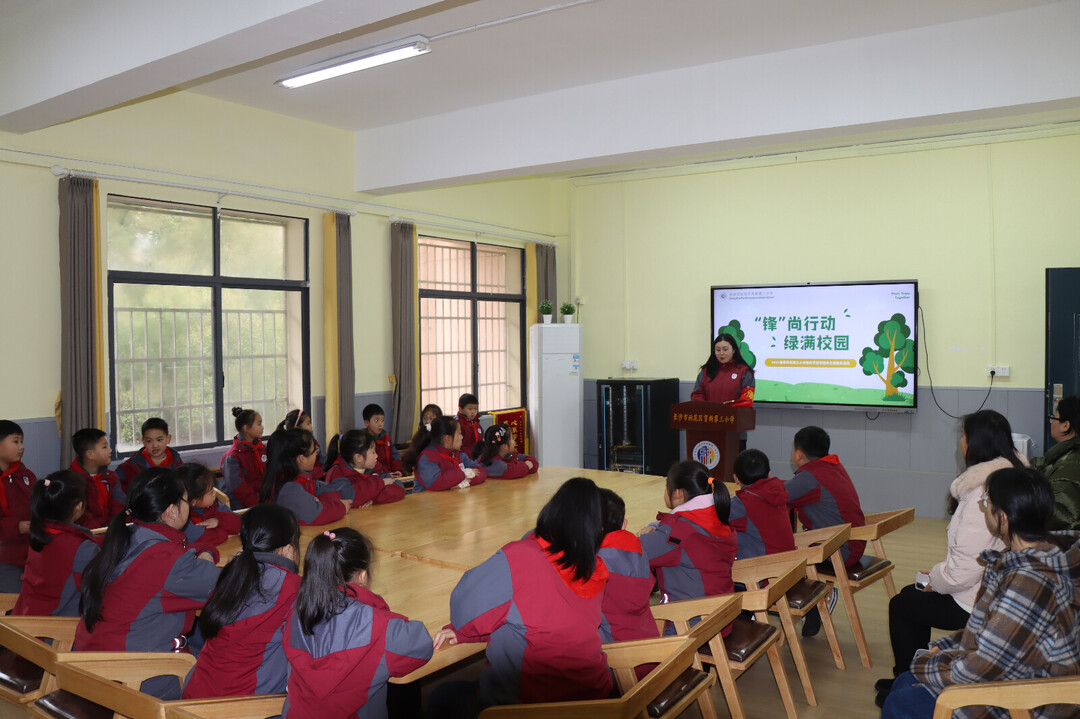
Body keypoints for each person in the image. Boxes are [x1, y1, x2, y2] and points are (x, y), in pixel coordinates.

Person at [881, 466, 1080, 719]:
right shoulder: (1038, 556)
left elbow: (985, 667)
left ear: (1003, 517)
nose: (984, 507)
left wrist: (929, 663)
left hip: (1030, 702)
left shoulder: (1028, 582)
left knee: (900, 704)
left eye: (987, 501)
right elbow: (990, 632)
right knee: (904, 684)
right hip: (1024, 676)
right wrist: (940, 649)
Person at [877, 410, 1028, 705]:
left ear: (976, 444)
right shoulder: (1011, 480)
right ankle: (908, 676)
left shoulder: (982, 496)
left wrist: (936, 579)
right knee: (911, 596)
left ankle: (908, 683)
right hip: (995, 589)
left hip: (977, 601)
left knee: (902, 605)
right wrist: (937, 577)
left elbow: (963, 572)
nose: (960, 442)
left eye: (963, 436)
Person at [431, 477, 612, 715]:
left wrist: (466, 631)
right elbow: (545, 624)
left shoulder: (523, 557)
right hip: (593, 701)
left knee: (440, 697)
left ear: (552, 510)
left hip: (531, 705)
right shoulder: (594, 569)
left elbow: (463, 611)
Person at [75, 468, 222, 699]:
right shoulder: (163, 556)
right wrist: (206, 555)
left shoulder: (126, 537)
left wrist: (198, 552)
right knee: (232, 673)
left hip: (92, 666)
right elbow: (218, 587)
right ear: (171, 511)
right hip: (132, 678)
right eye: (186, 501)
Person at [283, 527, 433, 719]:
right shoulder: (378, 626)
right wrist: (374, 604)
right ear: (362, 576)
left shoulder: (297, 613)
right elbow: (422, 644)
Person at [183, 504, 302, 699]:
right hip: (239, 707)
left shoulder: (232, 575)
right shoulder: (291, 587)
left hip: (194, 698)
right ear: (287, 550)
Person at [639, 460, 736, 605]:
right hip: (721, 616)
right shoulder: (719, 516)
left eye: (667, 486)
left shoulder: (678, 532)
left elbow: (632, 553)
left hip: (690, 622)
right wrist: (657, 530)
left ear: (677, 493)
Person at [12, 470, 100, 616]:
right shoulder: (82, 547)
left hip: (26, 626)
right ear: (78, 506)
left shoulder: (40, 534)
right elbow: (99, 590)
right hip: (57, 632)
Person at [597, 488, 658, 643]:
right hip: (651, 646)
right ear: (624, 524)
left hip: (616, 658)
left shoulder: (595, 562)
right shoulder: (640, 551)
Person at [261, 428, 353, 526]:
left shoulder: (304, 479)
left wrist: (321, 501)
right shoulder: (288, 488)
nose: (316, 455)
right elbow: (317, 514)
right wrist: (342, 506)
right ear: (302, 459)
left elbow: (336, 491)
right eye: (315, 451)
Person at [729, 448, 795, 559]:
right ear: (769, 474)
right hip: (789, 562)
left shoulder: (742, 503)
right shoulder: (777, 491)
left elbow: (713, 516)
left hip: (766, 568)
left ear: (736, 478)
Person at [1031, 395, 1080, 530]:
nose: (1051, 422)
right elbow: (1044, 463)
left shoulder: (1069, 464)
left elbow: (1063, 517)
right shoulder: (1067, 453)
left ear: (1065, 425)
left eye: (1054, 417)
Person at [322, 429, 406, 506]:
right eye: (373, 452)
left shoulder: (376, 466)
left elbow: (399, 488)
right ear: (358, 458)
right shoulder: (338, 473)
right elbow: (348, 498)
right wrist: (380, 483)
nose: (377, 456)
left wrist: (374, 499)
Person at [0, 419, 36, 592]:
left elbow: (37, 506)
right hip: (4, 557)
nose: (21, 447)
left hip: (30, 553)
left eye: (21, 442)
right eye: (15, 441)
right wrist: (17, 527)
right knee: (13, 601)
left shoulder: (26, 475)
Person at [69, 427, 124, 529]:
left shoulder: (111, 477)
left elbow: (119, 506)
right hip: (87, 531)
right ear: (90, 454)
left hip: (110, 529)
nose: (110, 450)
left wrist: (119, 525)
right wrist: (99, 532)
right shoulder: (71, 480)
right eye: (104, 447)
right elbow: (81, 515)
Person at [413, 417, 487, 492]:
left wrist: (463, 483)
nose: (462, 437)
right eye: (459, 434)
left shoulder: (457, 453)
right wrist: (464, 474)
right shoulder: (427, 457)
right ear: (447, 439)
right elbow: (436, 483)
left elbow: (481, 471)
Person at [116, 417, 184, 494]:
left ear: (168, 439)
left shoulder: (177, 463)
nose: (155, 445)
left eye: (159, 440)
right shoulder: (131, 466)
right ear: (143, 441)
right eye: (149, 441)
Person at [176, 462, 241, 537]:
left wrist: (218, 521)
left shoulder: (216, 506)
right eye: (210, 492)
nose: (214, 493)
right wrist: (225, 533)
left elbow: (239, 522)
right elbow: (202, 538)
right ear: (194, 501)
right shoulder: (183, 520)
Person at [690, 333, 755, 407]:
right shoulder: (706, 371)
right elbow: (697, 395)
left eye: (725, 349)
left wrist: (725, 410)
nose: (721, 353)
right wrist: (707, 408)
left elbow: (746, 400)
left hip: (734, 416)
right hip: (710, 416)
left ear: (733, 350)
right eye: (718, 350)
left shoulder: (745, 372)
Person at [220, 406, 267, 508]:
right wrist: (259, 505)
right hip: (242, 504)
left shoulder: (262, 449)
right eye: (259, 424)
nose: (262, 427)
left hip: (262, 499)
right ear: (246, 428)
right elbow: (239, 489)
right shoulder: (233, 457)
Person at [471, 424, 538, 479]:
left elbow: (533, 462)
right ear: (504, 447)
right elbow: (511, 471)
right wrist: (527, 466)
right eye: (512, 438)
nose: (514, 441)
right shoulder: (491, 462)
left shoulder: (508, 455)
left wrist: (530, 464)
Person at [278, 409, 326, 478]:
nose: (311, 427)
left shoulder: (313, 441)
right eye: (308, 423)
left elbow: (323, 459)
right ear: (297, 428)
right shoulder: (292, 447)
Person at [363, 403, 405, 478]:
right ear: (367, 422)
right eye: (377, 420)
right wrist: (384, 476)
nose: (380, 424)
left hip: (390, 474)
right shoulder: (363, 440)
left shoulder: (386, 438)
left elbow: (395, 457)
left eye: (382, 420)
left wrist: (398, 470)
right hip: (375, 477)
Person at [402, 404, 443, 475]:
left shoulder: (441, 436)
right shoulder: (420, 435)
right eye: (425, 418)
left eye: (431, 419)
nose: (427, 422)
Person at [456, 393, 483, 458]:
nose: (473, 412)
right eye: (470, 409)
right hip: (465, 457)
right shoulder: (458, 424)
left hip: (478, 456)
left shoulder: (477, 423)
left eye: (475, 409)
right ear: (460, 409)